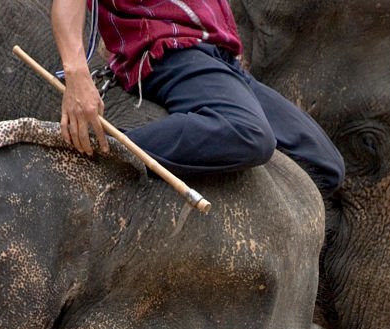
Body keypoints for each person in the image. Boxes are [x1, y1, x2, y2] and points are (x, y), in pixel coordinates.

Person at [50, 0, 346, 195]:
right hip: (170, 51)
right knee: (250, 132)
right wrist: (76, 72)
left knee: (324, 163)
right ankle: (106, 152)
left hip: (222, 61)